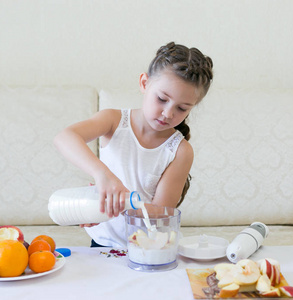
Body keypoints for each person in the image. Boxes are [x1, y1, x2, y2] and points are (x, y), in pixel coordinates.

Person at [54, 42, 213, 248]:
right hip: (103, 244)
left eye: (182, 108)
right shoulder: (113, 121)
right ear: (144, 83)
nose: (168, 113)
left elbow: (162, 214)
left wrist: (115, 202)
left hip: (150, 247)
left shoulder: (180, 151)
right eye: (162, 99)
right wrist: (103, 176)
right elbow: (64, 137)